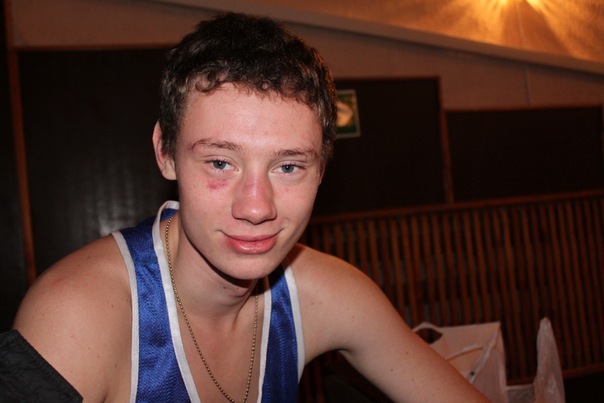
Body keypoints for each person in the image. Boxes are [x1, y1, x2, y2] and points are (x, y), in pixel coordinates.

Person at [3, 12, 487, 402]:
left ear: (323, 169)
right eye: (220, 162)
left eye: (288, 167)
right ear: (165, 152)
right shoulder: (77, 316)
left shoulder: (326, 293)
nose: (256, 208)